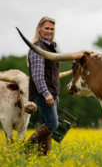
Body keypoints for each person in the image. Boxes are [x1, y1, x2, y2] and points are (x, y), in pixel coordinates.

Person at [24, 16, 60, 155]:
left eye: (52, 29)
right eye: (46, 28)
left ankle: (43, 157)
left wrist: (55, 94)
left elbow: (52, 74)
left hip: (51, 93)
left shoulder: (50, 47)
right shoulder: (37, 48)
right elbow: (38, 76)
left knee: (48, 124)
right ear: (39, 29)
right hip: (42, 93)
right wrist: (46, 93)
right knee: (52, 123)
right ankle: (24, 150)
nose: (49, 31)